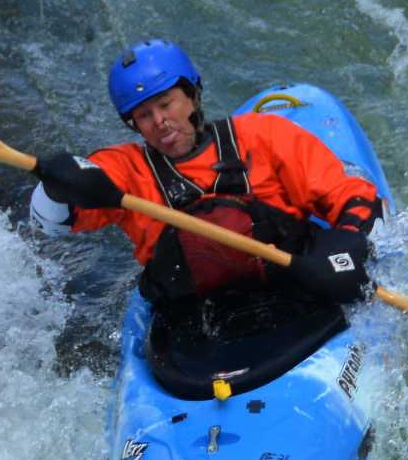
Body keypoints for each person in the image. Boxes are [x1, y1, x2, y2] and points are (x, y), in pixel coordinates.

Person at [29, 39, 383, 306]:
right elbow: (50, 221)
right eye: (144, 115)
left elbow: (354, 198)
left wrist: (346, 247)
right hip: (196, 322)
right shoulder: (127, 170)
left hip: (294, 290)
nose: (159, 123)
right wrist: (58, 185)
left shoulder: (264, 136)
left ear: (192, 96)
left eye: (166, 104)